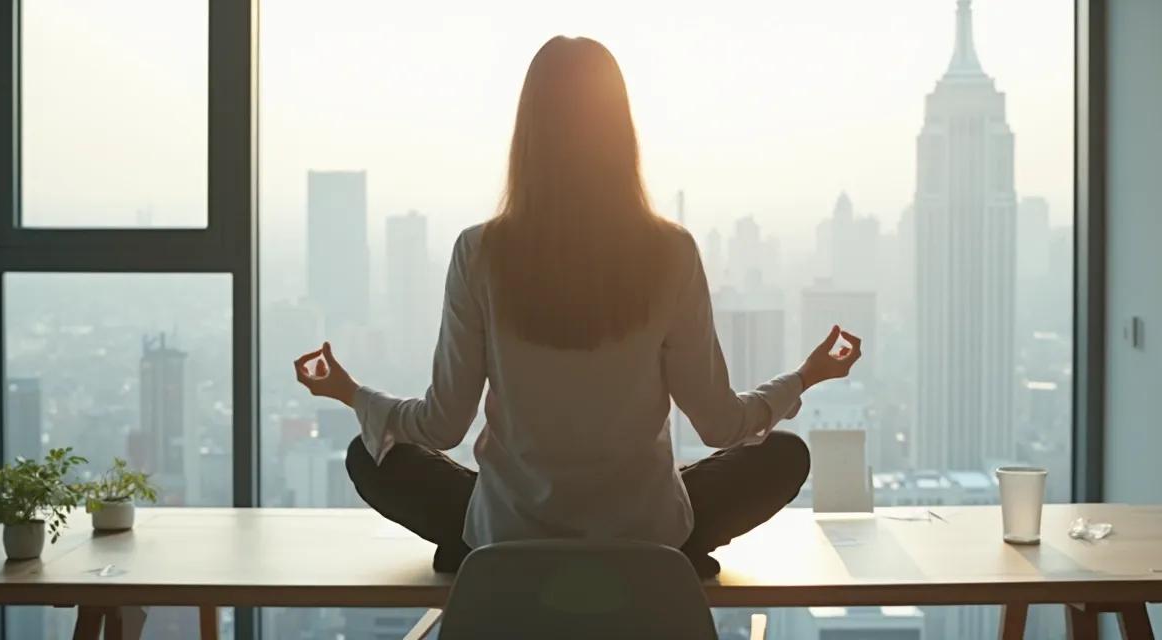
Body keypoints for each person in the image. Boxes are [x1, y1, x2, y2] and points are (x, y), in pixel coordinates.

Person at [294, 35, 862, 578]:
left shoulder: (480, 252)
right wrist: (807, 376)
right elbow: (720, 425)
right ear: (620, 133)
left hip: (508, 533)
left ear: (527, 135)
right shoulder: (671, 252)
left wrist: (349, 392)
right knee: (783, 455)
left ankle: (482, 551)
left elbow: (441, 427)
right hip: (647, 531)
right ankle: (665, 550)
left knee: (369, 456)